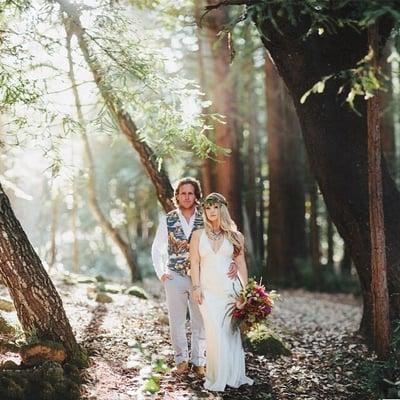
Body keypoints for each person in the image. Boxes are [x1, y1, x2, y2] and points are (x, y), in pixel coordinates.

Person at [151, 178, 237, 376]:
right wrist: (162, 273)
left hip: (201, 278)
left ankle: (199, 361)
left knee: (200, 320)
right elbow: (157, 248)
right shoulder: (168, 219)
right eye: (183, 193)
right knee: (177, 321)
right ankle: (181, 360)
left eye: (190, 193)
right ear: (177, 196)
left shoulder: (206, 218)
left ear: (196, 195)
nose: (187, 197)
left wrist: (231, 261)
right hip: (174, 276)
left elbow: (222, 240)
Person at [190, 192, 254, 391]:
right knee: (214, 332)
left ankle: (233, 375)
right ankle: (216, 376)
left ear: (222, 209)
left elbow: (241, 263)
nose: (211, 212)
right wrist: (196, 286)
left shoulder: (236, 236)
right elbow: (194, 262)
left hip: (230, 290)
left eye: (215, 207)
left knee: (229, 333)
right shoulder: (197, 235)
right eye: (208, 208)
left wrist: (245, 292)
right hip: (208, 292)